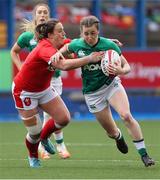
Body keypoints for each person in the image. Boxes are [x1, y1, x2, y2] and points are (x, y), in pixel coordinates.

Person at [49, 15, 155, 167]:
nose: (89, 37)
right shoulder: (77, 45)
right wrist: (58, 53)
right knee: (111, 132)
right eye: (86, 33)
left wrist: (120, 70)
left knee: (126, 116)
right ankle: (118, 136)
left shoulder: (108, 45)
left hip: (111, 85)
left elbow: (127, 67)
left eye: (93, 33)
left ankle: (144, 155)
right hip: (92, 94)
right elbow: (65, 49)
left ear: (98, 32)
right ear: (81, 33)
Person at [11, 18, 104, 168]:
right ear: (50, 35)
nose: (63, 33)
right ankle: (33, 156)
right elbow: (64, 65)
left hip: (43, 89)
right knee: (34, 132)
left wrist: (104, 42)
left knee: (64, 118)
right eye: (60, 31)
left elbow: (83, 40)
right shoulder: (45, 48)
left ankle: (44, 137)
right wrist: (89, 59)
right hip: (24, 91)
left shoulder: (61, 43)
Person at [10, 3, 71, 160]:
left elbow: (71, 45)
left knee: (55, 115)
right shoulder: (28, 36)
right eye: (39, 12)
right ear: (35, 15)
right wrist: (20, 66)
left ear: (49, 16)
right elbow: (14, 51)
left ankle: (59, 144)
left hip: (53, 79)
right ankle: (41, 146)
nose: (42, 14)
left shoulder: (55, 35)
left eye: (45, 12)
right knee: (40, 124)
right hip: (31, 84)